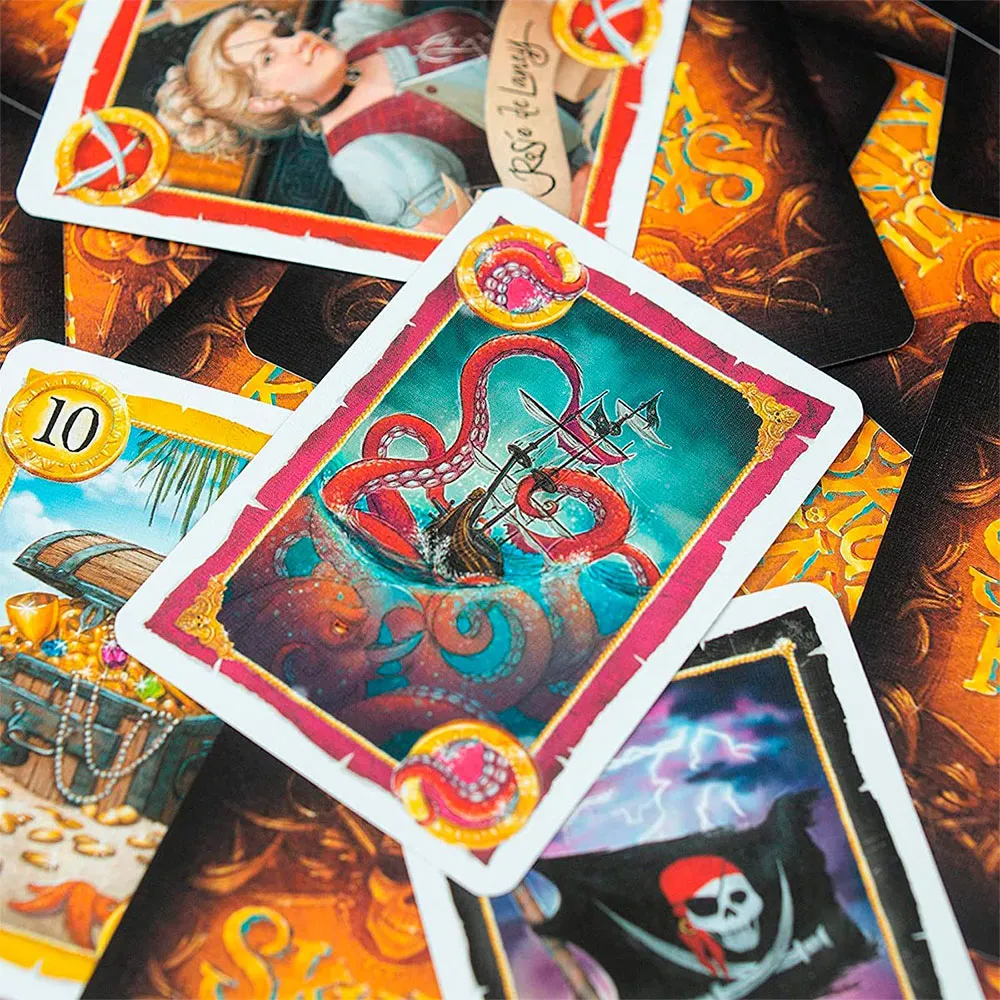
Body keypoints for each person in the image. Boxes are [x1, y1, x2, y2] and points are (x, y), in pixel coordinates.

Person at [155, 1, 592, 233]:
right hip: (595, 173)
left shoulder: (354, 40)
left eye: (282, 33)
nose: (297, 41)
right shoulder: (365, 161)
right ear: (264, 102)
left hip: (598, 60)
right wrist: (589, 180)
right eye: (269, 58)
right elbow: (483, 251)